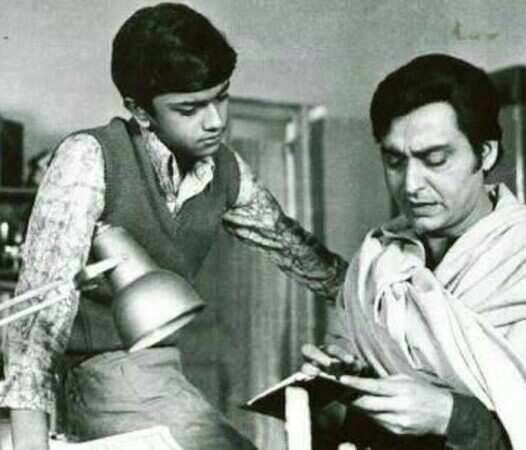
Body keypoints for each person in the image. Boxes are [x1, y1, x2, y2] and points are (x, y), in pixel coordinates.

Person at [0, 4, 347, 450]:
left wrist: (382, 295)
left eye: (221, 97)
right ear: (139, 110)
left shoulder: (226, 170)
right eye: (190, 108)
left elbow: (307, 259)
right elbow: (34, 330)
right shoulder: (89, 158)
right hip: (91, 375)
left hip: (161, 367)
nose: (216, 121)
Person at [302, 54, 526, 450]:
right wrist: (344, 387)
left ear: (486, 153)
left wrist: (451, 416)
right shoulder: (377, 260)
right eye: (394, 161)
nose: (411, 185)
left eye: (435, 160)